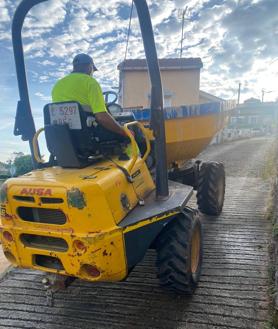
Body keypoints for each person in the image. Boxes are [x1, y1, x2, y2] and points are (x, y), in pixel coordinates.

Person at [52, 53, 127, 138]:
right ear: (90, 67)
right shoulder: (90, 82)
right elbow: (101, 117)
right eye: (93, 70)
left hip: (64, 138)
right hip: (87, 137)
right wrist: (123, 131)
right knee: (129, 131)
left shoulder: (58, 85)